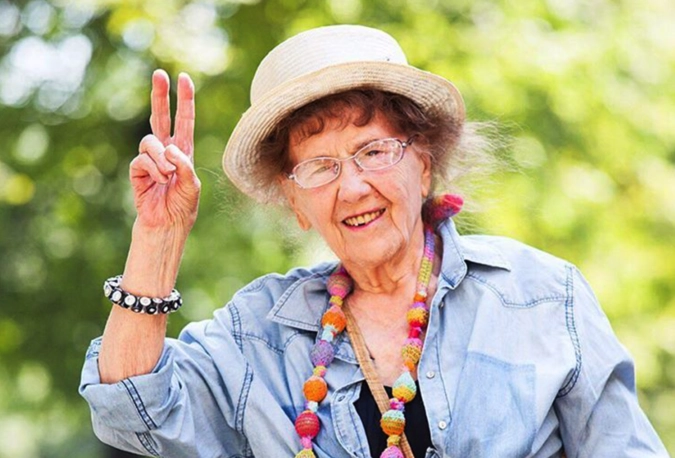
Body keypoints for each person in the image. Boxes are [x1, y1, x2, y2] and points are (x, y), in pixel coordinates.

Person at [79, 25, 668, 458]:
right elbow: (132, 411)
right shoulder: (258, 333)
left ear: (425, 164)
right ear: (295, 203)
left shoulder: (543, 297)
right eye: (320, 167)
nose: (353, 187)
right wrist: (158, 238)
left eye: (374, 151)